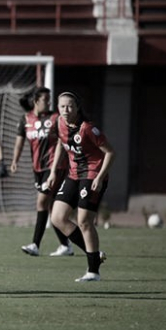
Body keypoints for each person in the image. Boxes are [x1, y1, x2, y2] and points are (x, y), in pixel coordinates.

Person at [47, 92, 114, 282]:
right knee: (58, 218)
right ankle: (94, 254)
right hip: (73, 174)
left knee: (84, 221)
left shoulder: (88, 129)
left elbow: (110, 152)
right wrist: (53, 171)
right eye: (62, 106)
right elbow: (61, 142)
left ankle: (93, 272)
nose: (66, 110)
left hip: (92, 175)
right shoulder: (60, 123)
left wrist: (100, 177)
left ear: (77, 108)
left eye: (69, 106)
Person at [11, 87, 74, 257]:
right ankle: (65, 245)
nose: (49, 102)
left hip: (55, 167)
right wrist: (15, 161)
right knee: (53, 210)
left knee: (41, 203)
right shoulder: (25, 119)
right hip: (38, 169)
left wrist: (56, 169)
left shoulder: (55, 118)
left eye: (49, 98)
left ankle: (35, 245)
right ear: (35, 101)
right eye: (45, 99)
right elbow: (19, 142)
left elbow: (63, 141)